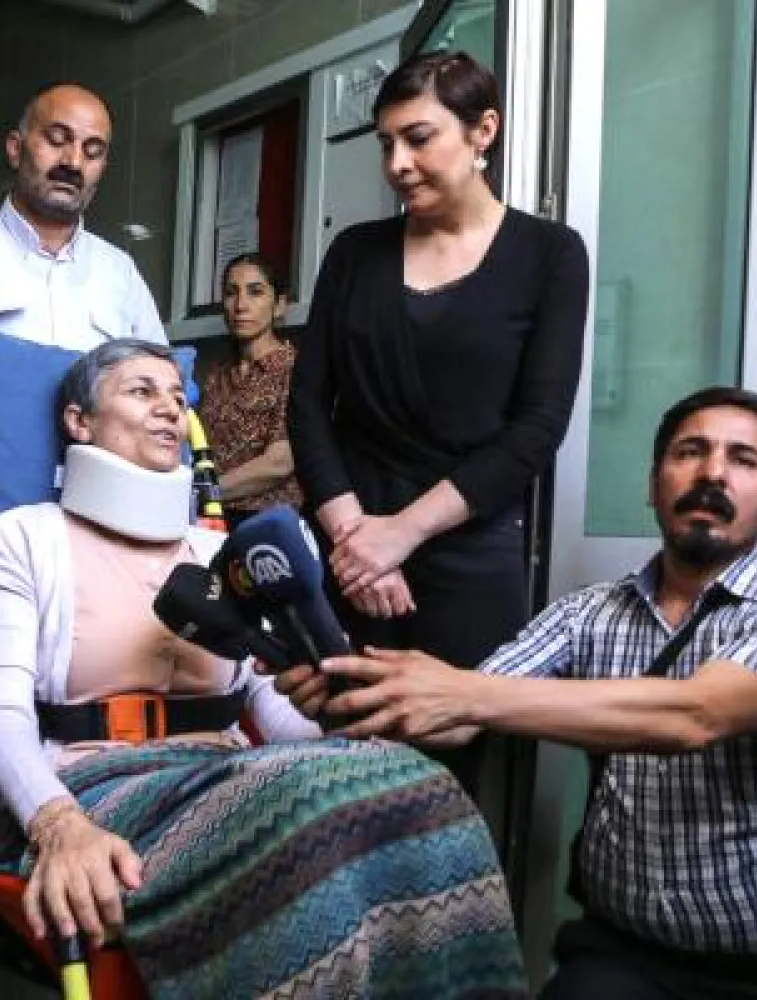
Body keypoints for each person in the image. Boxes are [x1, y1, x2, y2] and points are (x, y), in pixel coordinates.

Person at [0, 340, 527, 999]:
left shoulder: (221, 550)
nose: (171, 409)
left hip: (227, 773)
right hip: (92, 783)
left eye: (178, 396)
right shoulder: (25, 537)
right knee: (300, 810)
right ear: (79, 423)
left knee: (421, 784)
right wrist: (56, 823)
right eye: (142, 392)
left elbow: (274, 712)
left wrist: (333, 726)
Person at [280, 388, 757, 999]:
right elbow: (459, 718)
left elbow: (698, 713)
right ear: (652, 484)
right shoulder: (587, 615)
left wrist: (460, 692)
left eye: (742, 460)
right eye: (690, 452)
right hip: (620, 961)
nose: (712, 472)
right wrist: (356, 695)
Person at [286, 50, 590, 794]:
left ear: (483, 129)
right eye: (386, 142)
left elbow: (537, 426)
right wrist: (356, 537)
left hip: (468, 557)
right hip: (349, 550)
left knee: (447, 786)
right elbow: (307, 405)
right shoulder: (355, 253)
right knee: (338, 773)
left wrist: (404, 532)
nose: (397, 161)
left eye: (418, 137)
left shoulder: (549, 254)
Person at [0, 82, 165, 428]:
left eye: (92, 151)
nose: (73, 162)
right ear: (15, 149)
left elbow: (161, 384)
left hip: (94, 476)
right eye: (56, 139)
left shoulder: (120, 274)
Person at [198, 252, 302, 526]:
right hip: (212, 517)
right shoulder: (216, 376)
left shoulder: (295, 369)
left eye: (255, 292)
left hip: (271, 525)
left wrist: (207, 491)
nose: (241, 305)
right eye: (231, 293)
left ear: (279, 305)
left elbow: (280, 463)